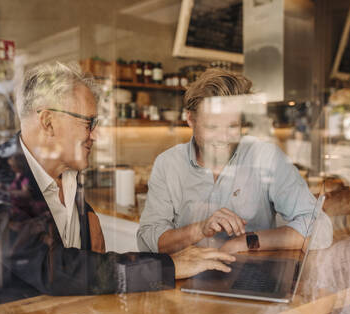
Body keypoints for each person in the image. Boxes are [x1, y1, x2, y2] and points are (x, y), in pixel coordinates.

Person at [0, 62, 235, 313]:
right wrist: (170, 265)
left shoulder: (68, 174)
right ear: (48, 122)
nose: (96, 135)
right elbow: (54, 269)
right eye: (89, 122)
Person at [137, 68, 332, 254]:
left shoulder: (266, 157)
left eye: (232, 126)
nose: (223, 138)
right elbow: (148, 241)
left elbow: (319, 227)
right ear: (190, 119)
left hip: (252, 279)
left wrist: (246, 241)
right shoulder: (168, 164)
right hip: (184, 281)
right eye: (212, 127)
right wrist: (200, 229)